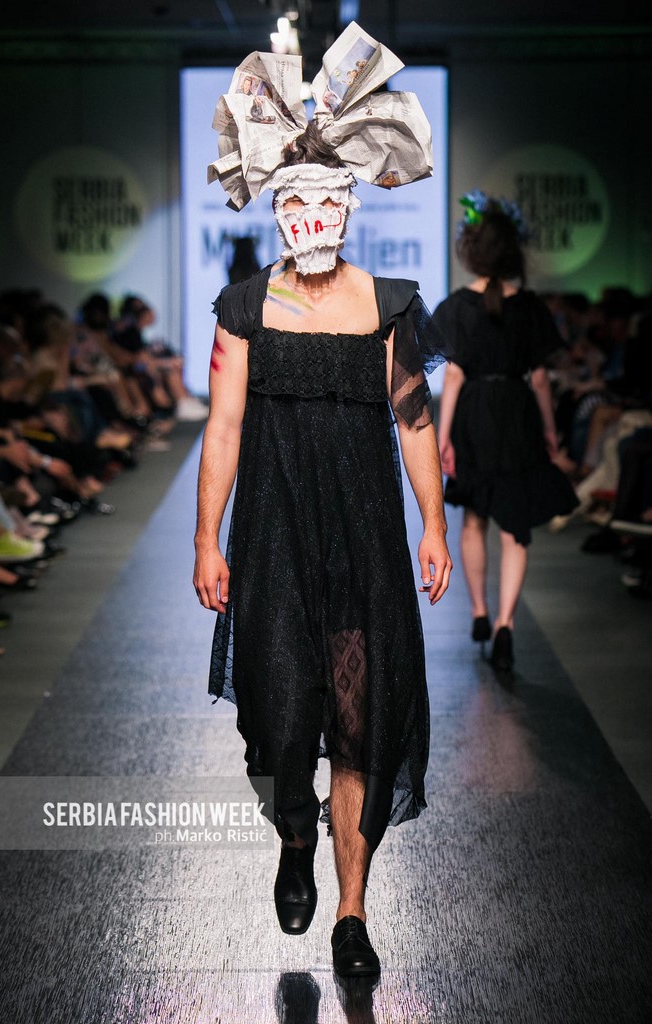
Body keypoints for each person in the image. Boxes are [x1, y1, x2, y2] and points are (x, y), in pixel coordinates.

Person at [194, 45, 451, 977]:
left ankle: (351, 913)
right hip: (272, 534)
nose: (312, 216)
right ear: (277, 208)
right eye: (296, 201)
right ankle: (294, 837)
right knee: (278, 717)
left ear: (348, 207)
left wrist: (433, 524)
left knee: (356, 722)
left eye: (326, 201)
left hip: (363, 540)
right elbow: (224, 428)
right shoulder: (244, 309)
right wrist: (206, 540)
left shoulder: (387, 309)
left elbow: (414, 419)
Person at [434, 193, 578, 671]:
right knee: (516, 528)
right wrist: (551, 432)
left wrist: (443, 436)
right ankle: (505, 624)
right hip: (517, 415)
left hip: (475, 414)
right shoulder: (531, 308)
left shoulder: (456, 307)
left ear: (471, 251)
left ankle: (479, 610)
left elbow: (454, 374)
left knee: (474, 519)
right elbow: (540, 379)